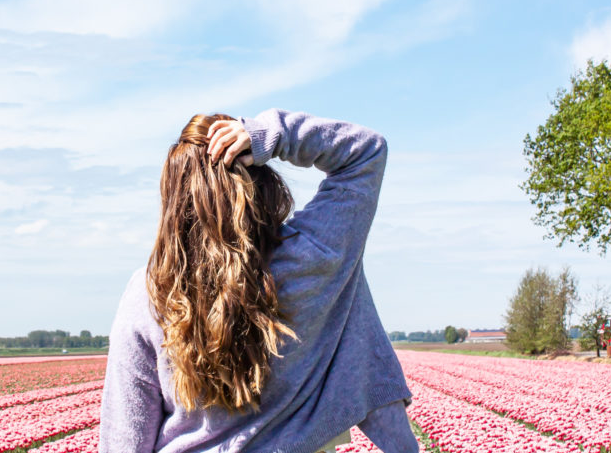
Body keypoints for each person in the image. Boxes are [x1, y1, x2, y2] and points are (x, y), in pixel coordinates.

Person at [99, 108, 417, 453]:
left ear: (175, 198)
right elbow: (366, 150)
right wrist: (271, 134)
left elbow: (125, 437)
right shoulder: (315, 253)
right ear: (261, 182)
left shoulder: (152, 291)